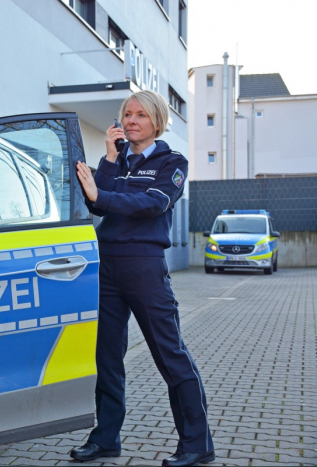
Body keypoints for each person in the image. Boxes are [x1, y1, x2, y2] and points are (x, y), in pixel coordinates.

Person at [70, 90, 214, 467]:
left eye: (141, 115)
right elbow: (95, 202)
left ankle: (197, 443)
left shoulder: (172, 162)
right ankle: (106, 439)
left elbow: (152, 203)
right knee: (107, 357)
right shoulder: (116, 160)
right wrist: (109, 158)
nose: (132, 120)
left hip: (144, 265)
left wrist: (101, 193)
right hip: (107, 265)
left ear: (157, 122)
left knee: (170, 354)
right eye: (127, 114)